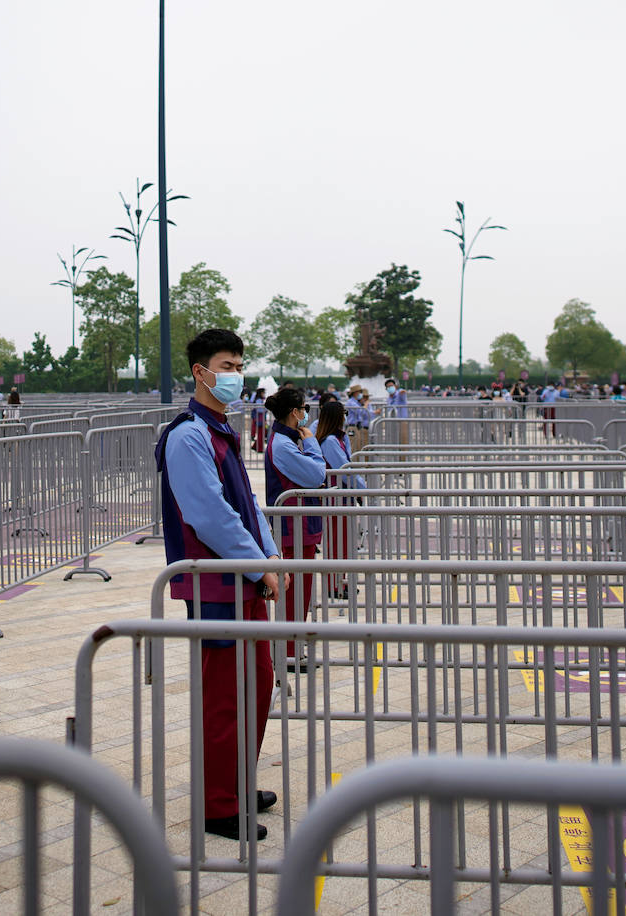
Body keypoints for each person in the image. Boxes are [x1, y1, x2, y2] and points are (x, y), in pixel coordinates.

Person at [155, 328, 283, 841]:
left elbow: (248, 505)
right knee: (226, 697)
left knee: (256, 683)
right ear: (200, 372)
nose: (236, 374)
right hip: (216, 585)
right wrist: (260, 565)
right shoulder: (188, 435)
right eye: (227, 365)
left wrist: (269, 553)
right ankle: (217, 805)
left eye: (239, 364)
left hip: (242, 580)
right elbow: (210, 515)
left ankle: (236, 783)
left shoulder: (219, 429)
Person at [263, 387, 326, 666]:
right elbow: (316, 475)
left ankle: (292, 648)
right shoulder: (283, 444)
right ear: (294, 412)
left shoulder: (286, 439)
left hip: (300, 527)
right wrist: (312, 443)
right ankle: (287, 652)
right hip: (292, 530)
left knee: (301, 593)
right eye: (304, 409)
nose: (305, 414)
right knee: (294, 596)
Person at [315, 400, 359, 600]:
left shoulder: (336, 438)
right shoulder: (331, 442)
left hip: (342, 497)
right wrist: (364, 490)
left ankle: (339, 581)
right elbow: (345, 470)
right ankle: (334, 584)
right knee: (336, 542)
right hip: (336, 498)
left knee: (342, 542)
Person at [249, 387, 268, 453]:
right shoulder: (258, 400)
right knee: (260, 434)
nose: (264, 394)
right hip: (259, 419)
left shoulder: (259, 399)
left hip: (260, 418)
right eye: (263, 392)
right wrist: (266, 408)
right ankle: (259, 448)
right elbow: (259, 409)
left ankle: (255, 446)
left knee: (261, 433)